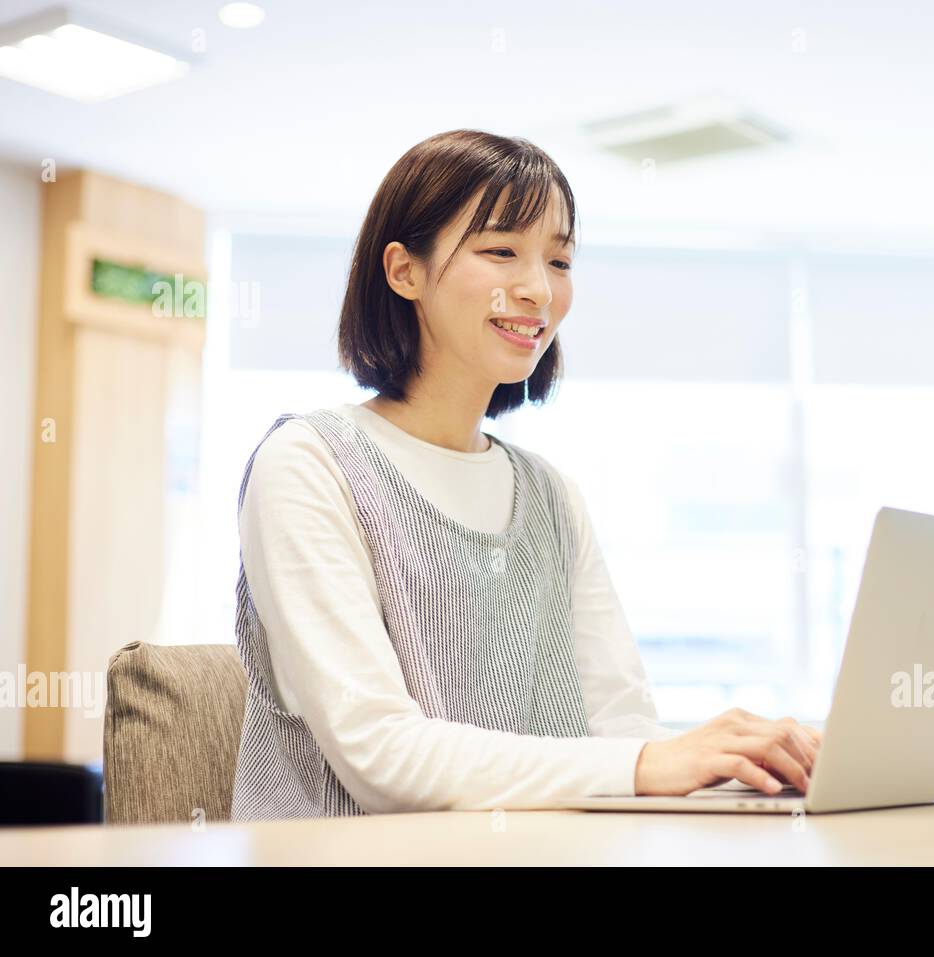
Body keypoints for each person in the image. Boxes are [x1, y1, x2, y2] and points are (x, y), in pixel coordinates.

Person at [229, 129, 821, 819]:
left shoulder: (552, 495)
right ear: (404, 271)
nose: (539, 290)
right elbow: (380, 755)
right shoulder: (307, 464)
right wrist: (649, 763)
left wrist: (752, 761)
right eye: (501, 251)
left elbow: (621, 729)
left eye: (559, 260)